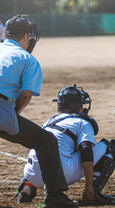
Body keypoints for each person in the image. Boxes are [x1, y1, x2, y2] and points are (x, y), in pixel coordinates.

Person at [0, 15, 78, 207]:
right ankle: (54, 196)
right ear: (26, 36)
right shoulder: (27, 59)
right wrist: (12, 114)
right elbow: (26, 95)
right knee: (46, 141)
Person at [15, 85, 115, 205]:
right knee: (109, 147)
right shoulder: (82, 122)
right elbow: (85, 149)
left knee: (42, 152)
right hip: (60, 176)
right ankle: (94, 192)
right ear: (78, 106)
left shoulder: (50, 121)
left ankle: (28, 186)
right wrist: (88, 184)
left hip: (31, 173)